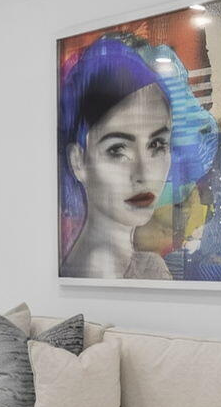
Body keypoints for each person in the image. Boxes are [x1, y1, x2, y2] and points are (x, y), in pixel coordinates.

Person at [58, 36, 174, 280]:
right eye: (118, 150)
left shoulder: (144, 265)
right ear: (78, 162)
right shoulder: (101, 266)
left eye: (156, 145)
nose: (144, 173)